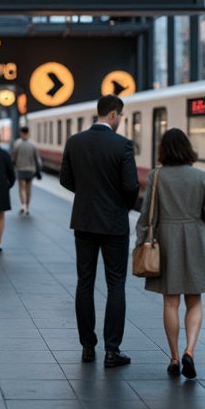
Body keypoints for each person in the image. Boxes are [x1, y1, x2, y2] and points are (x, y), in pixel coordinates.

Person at [59, 94, 139, 367]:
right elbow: (131, 187)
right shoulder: (123, 145)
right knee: (116, 284)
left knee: (85, 282)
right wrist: (120, 207)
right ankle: (112, 350)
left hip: (83, 220)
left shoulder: (75, 141)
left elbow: (65, 179)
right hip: (114, 223)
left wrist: (87, 197)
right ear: (114, 115)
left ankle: (87, 347)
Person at [137, 128, 205, 379]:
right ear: (188, 149)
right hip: (195, 239)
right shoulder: (200, 176)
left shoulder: (157, 176)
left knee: (170, 302)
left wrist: (140, 242)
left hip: (166, 241)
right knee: (194, 301)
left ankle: (173, 358)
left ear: (163, 150)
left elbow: (145, 216)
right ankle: (189, 352)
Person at [10, 126, 43, 216]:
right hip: (31, 170)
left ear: (21, 133)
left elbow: (13, 158)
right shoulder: (33, 145)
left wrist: (12, 167)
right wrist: (38, 169)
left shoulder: (17, 144)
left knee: (21, 189)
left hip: (20, 169)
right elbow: (38, 159)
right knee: (28, 189)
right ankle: (27, 206)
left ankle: (23, 206)